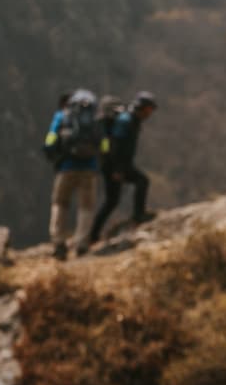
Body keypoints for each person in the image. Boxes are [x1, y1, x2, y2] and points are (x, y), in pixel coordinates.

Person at [90, 91, 157, 243]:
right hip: (114, 166)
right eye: (149, 109)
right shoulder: (126, 120)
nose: (150, 113)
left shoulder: (131, 120)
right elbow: (117, 145)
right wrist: (118, 170)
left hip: (115, 165)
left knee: (112, 201)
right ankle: (138, 215)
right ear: (142, 107)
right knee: (141, 182)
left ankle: (93, 235)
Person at [43, 89, 101, 260]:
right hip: (89, 168)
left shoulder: (62, 116)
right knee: (86, 206)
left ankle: (59, 243)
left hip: (66, 166)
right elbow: (103, 142)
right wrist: (100, 159)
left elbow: (51, 138)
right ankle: (81, 244)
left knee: (60, 203)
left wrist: (52, 154)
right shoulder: (95, 118)